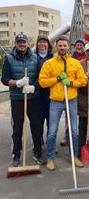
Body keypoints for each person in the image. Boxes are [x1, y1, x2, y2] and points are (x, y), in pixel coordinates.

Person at [38, 35, 87, 171]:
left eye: (64, 45)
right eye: (60, 45)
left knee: (74, 131)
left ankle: (74, 156)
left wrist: (71, 82)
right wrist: (57, 78)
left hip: (71, 99)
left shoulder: (74, 63)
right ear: (56, 46)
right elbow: (42, 81)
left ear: (68, 47)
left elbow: (83, 80)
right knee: (52, 131)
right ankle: (50, 157)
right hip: (55, 100)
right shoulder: (50, 63)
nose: (62, 47)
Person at [1, 33, 43, 166]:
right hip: (17, 98)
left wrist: (33, 87)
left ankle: (37, 151)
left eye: (24, 42)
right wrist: (17, 82)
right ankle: (16, 155)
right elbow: (4, 79)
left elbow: (40, 78)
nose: (22, 44)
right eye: (19, 42)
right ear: (16, 43)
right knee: (18, 127)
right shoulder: (9, 58)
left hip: (33, 98)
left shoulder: (35, 58)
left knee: (36, 126)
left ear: (27, 43)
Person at [60, 38, 86, 146]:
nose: (79, 47)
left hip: (83, 90)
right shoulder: (70, 57)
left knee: (82, 116)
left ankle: (79, 137)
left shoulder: (87, 56)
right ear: (74, 46)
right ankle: (67, 136)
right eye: (77, 45)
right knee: (69, 115)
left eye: (81, 45)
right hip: (71, 90)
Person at [36, 35, 53, 145]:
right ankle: (39, 141)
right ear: (37, 45)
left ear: (48, 45)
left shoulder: (53, 58)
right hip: (36, 94)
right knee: (38, 120)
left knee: (51, 121)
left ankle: (50, 142)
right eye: (40, 42)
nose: (42, 44)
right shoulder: (33, 57)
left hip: (50, 94)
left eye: (45, 42)